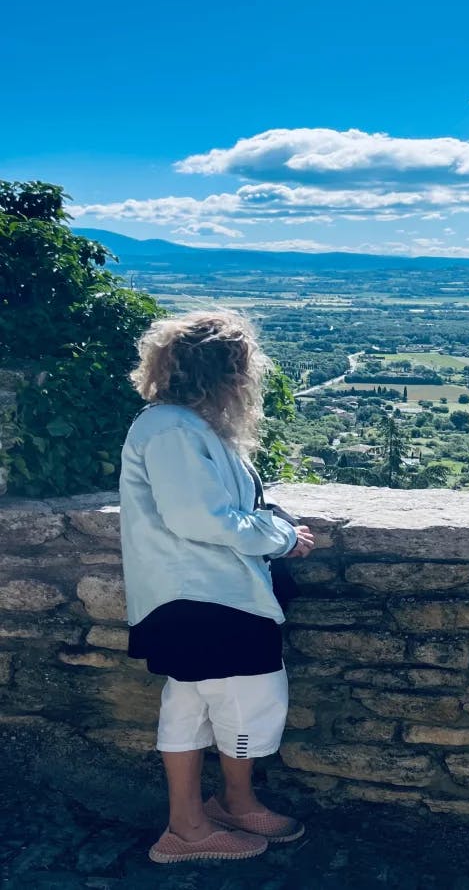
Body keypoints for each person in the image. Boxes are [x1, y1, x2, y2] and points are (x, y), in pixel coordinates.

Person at [118, 310, 316, 864]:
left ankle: (189, 824)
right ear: (225, 373)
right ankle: (233, 805)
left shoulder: (176, 426)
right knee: (250, 704)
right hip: (209, 595)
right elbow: (202, 520)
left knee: (188, 707)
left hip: (184, 597)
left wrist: (267, 522)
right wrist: (279, 537)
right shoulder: (176, 432)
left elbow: (219, 508)